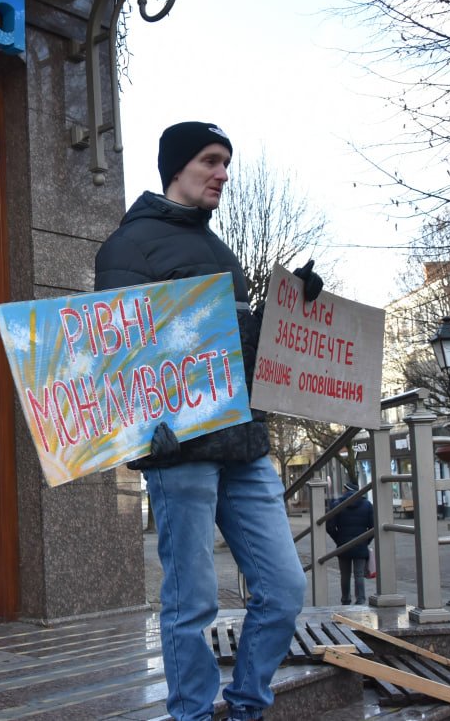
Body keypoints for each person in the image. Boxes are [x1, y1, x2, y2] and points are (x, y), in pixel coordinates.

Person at [94, 121, 318, 721]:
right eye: (211, 161)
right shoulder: (128, 248)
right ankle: (191, 714)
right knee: (191, 604)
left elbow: (238, 351)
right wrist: (145, 434)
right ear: (177, 166)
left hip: (244, 446)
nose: (222, 174)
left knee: (285, 589)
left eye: (226, 163)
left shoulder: (222, 251)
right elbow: (115, 356)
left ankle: (246, 706)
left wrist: (291, 308)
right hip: (181, 453)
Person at [326, 479, 375, 606]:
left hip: (343, 545)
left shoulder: (337, 504)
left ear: (346, 490)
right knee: (359, 574)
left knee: (345, 575)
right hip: (360, 544)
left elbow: (330, 527)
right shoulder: (367, 505)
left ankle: (345, 600)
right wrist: (365, 540)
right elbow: (373, 527)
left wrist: (339, 539)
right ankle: (360, 600)